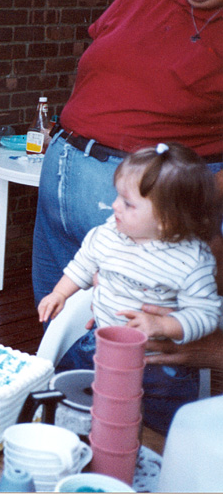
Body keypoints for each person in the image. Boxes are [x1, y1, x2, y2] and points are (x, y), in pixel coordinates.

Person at [32, 0, 223, 307]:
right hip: (62, 189)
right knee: (57, 330)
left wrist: (192, 201)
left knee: (127, 343)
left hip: (148, 209)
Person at [39, 143, 222, 434]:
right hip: (97, 343)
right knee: (70, 402)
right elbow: (84, 264)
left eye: (128, 202)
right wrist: (60, 293)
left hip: (155, 364)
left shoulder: (190, 259)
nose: (114, 206)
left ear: (168, 218)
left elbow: (208, 315)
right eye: (118, 196)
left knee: (156, 428)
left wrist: (165, 323)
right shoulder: (109, 233)